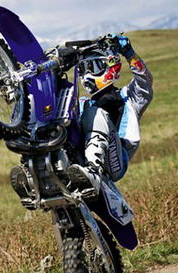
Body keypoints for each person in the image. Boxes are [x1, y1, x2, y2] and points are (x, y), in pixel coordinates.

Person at [68, 35, 153, 194]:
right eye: (83, 69)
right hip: (83, 158)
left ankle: (92, 171)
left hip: (115, 163)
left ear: (109, 66)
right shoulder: (83, 103)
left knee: (96, 114)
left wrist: (130, 54)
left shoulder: (129, 98)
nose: (86, 75)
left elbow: (145, 83)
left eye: (93, 67)